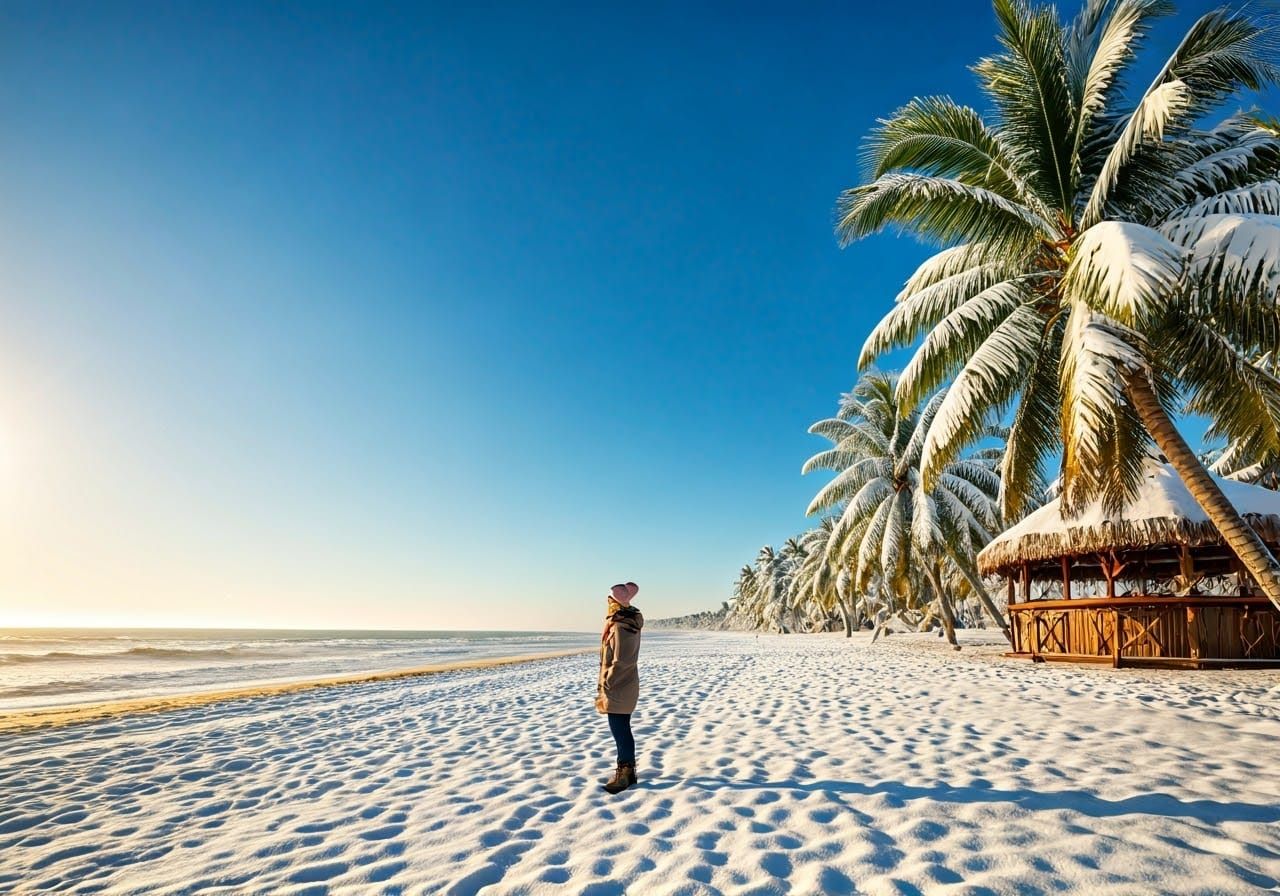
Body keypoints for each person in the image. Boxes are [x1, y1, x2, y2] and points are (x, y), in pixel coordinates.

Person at [596, 581, 643, 794]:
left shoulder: (620, 625)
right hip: (628, 683)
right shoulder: (629, 622)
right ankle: (627, 771)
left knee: (620, 729)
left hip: (620, 684)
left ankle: (625, 774)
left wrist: (609, 680)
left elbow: (621, 659)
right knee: (622, 727)